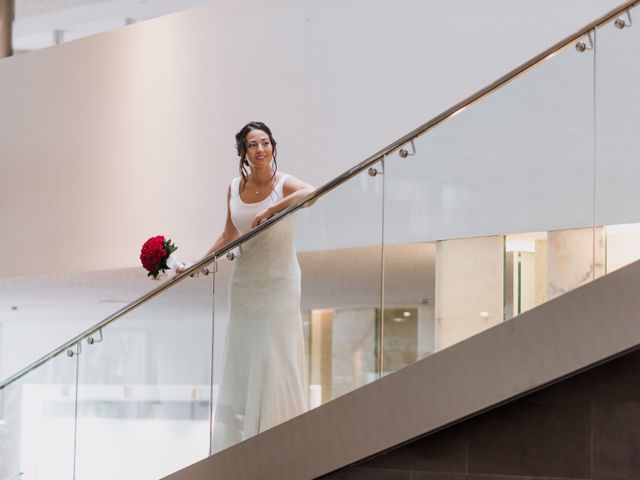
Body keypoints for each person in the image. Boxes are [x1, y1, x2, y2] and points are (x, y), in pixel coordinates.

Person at [183, 121, 315, 452]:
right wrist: (200, 263)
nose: (260, 150)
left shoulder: (284, 184)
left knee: (274, 352)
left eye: (265, 143)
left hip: (280, 282)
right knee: (246, 353)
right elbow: (229, 234)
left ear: (273, 147)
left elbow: (311, 193)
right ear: (243, 151)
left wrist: (273, 208)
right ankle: (246, 433)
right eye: (253, 145)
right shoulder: (233, 188)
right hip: (245, 284)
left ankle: (278, 434)